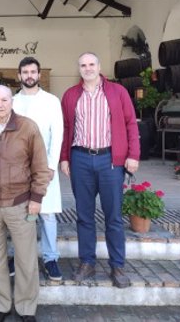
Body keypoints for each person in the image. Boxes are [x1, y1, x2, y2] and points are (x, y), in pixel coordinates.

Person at [0, 85, 50, 322]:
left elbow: (40, 167)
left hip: (21, 205)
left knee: (26, 259)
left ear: (11, 102)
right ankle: (1, 306)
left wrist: (36, 199)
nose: (0, 104)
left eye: (4, 100)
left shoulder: (28, 127)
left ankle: (26, 309)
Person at [59, 52, 140, 289]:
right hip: (80, 158)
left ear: (99, 66)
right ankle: (87, 262)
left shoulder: (117, 92)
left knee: (113, 216)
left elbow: (130, 123)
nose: (87, 68)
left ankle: (117, 266)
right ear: (79, 69)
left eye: (91, 64)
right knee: (84, 216)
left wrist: (133, 155)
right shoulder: (71, 95)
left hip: (110, 161)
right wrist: (64, 157)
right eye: (83, 65)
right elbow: (66, 128)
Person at [12, 56, 64, 281]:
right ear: (19, 76)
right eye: (25, 72)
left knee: (48, 214)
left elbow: (58, 134)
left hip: (44, 166)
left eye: (33, 72)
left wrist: (51, 165)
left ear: (39, 75)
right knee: (17, 214)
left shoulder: (51, 101)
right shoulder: (12, 101)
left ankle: (51, 258)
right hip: (18, 168)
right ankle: (18, 256)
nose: (29, 76)